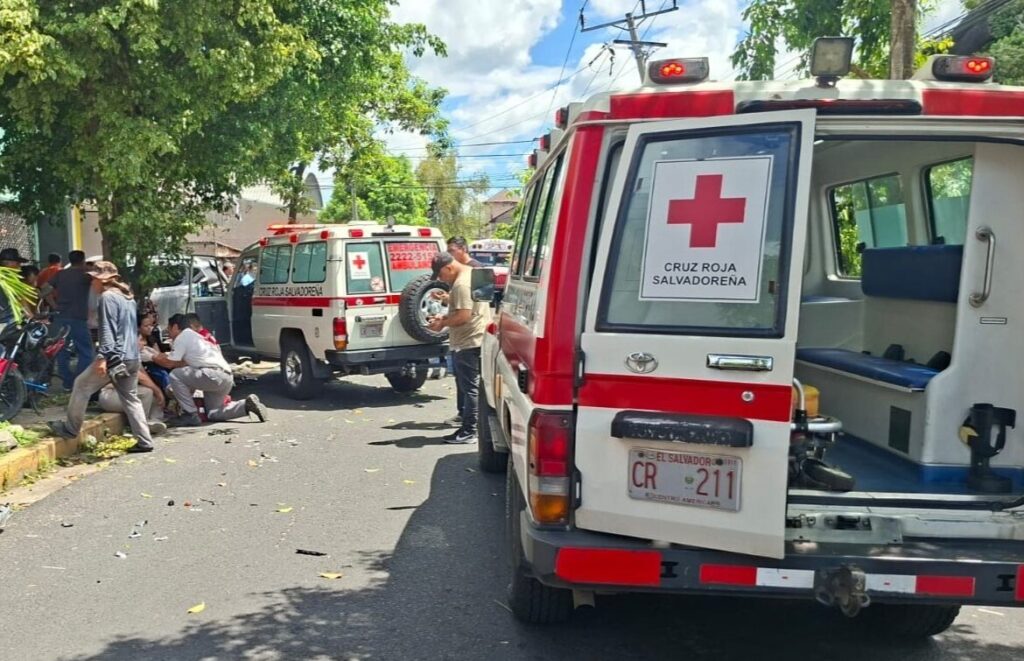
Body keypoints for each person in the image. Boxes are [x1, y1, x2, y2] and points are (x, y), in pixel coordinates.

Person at [48, 261, 161, 452]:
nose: (92, 283)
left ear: (106, 280)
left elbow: (108, 331)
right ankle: (145, 441)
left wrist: (102, 358)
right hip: (132, 357)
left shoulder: (107, 297)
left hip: (114, 357)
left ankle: (70, 429)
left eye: (94, 279)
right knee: (130, 398)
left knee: (81, 385)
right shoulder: (128, 298)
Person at [153, 313, 267, 427]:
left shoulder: (182, 336)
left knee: (175, 375)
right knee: (214, 413)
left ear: (175, 326)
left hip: (212, 374)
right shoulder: (197, 337)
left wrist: (151, 356)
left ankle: (190, 414)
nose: (168, 332)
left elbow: (170, 363)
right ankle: (246, 405)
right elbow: (183, 363)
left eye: (168, 328)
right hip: (226, 377)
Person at [428, 252, 491, 444]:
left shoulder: (462, 284)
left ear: (449, 267)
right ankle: (470, 427)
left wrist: (442, 323)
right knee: (471, 387)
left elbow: (463, 316)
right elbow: (470, 305)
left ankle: (469, 431)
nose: (441, 279)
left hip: (468, 341)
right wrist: (448, 299)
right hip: (477, 338)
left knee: (470, 388)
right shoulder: (471, 274)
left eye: (440, 275)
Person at [47, 251, 95, 390]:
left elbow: (44, 289)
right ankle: (79, 381)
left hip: (60, 316)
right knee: (86, 351)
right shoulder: (85, 275)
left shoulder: (61, 274)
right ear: (83, 260)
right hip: (78, 317)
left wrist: (54, 305)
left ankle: (67, 382)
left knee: (61, 350)